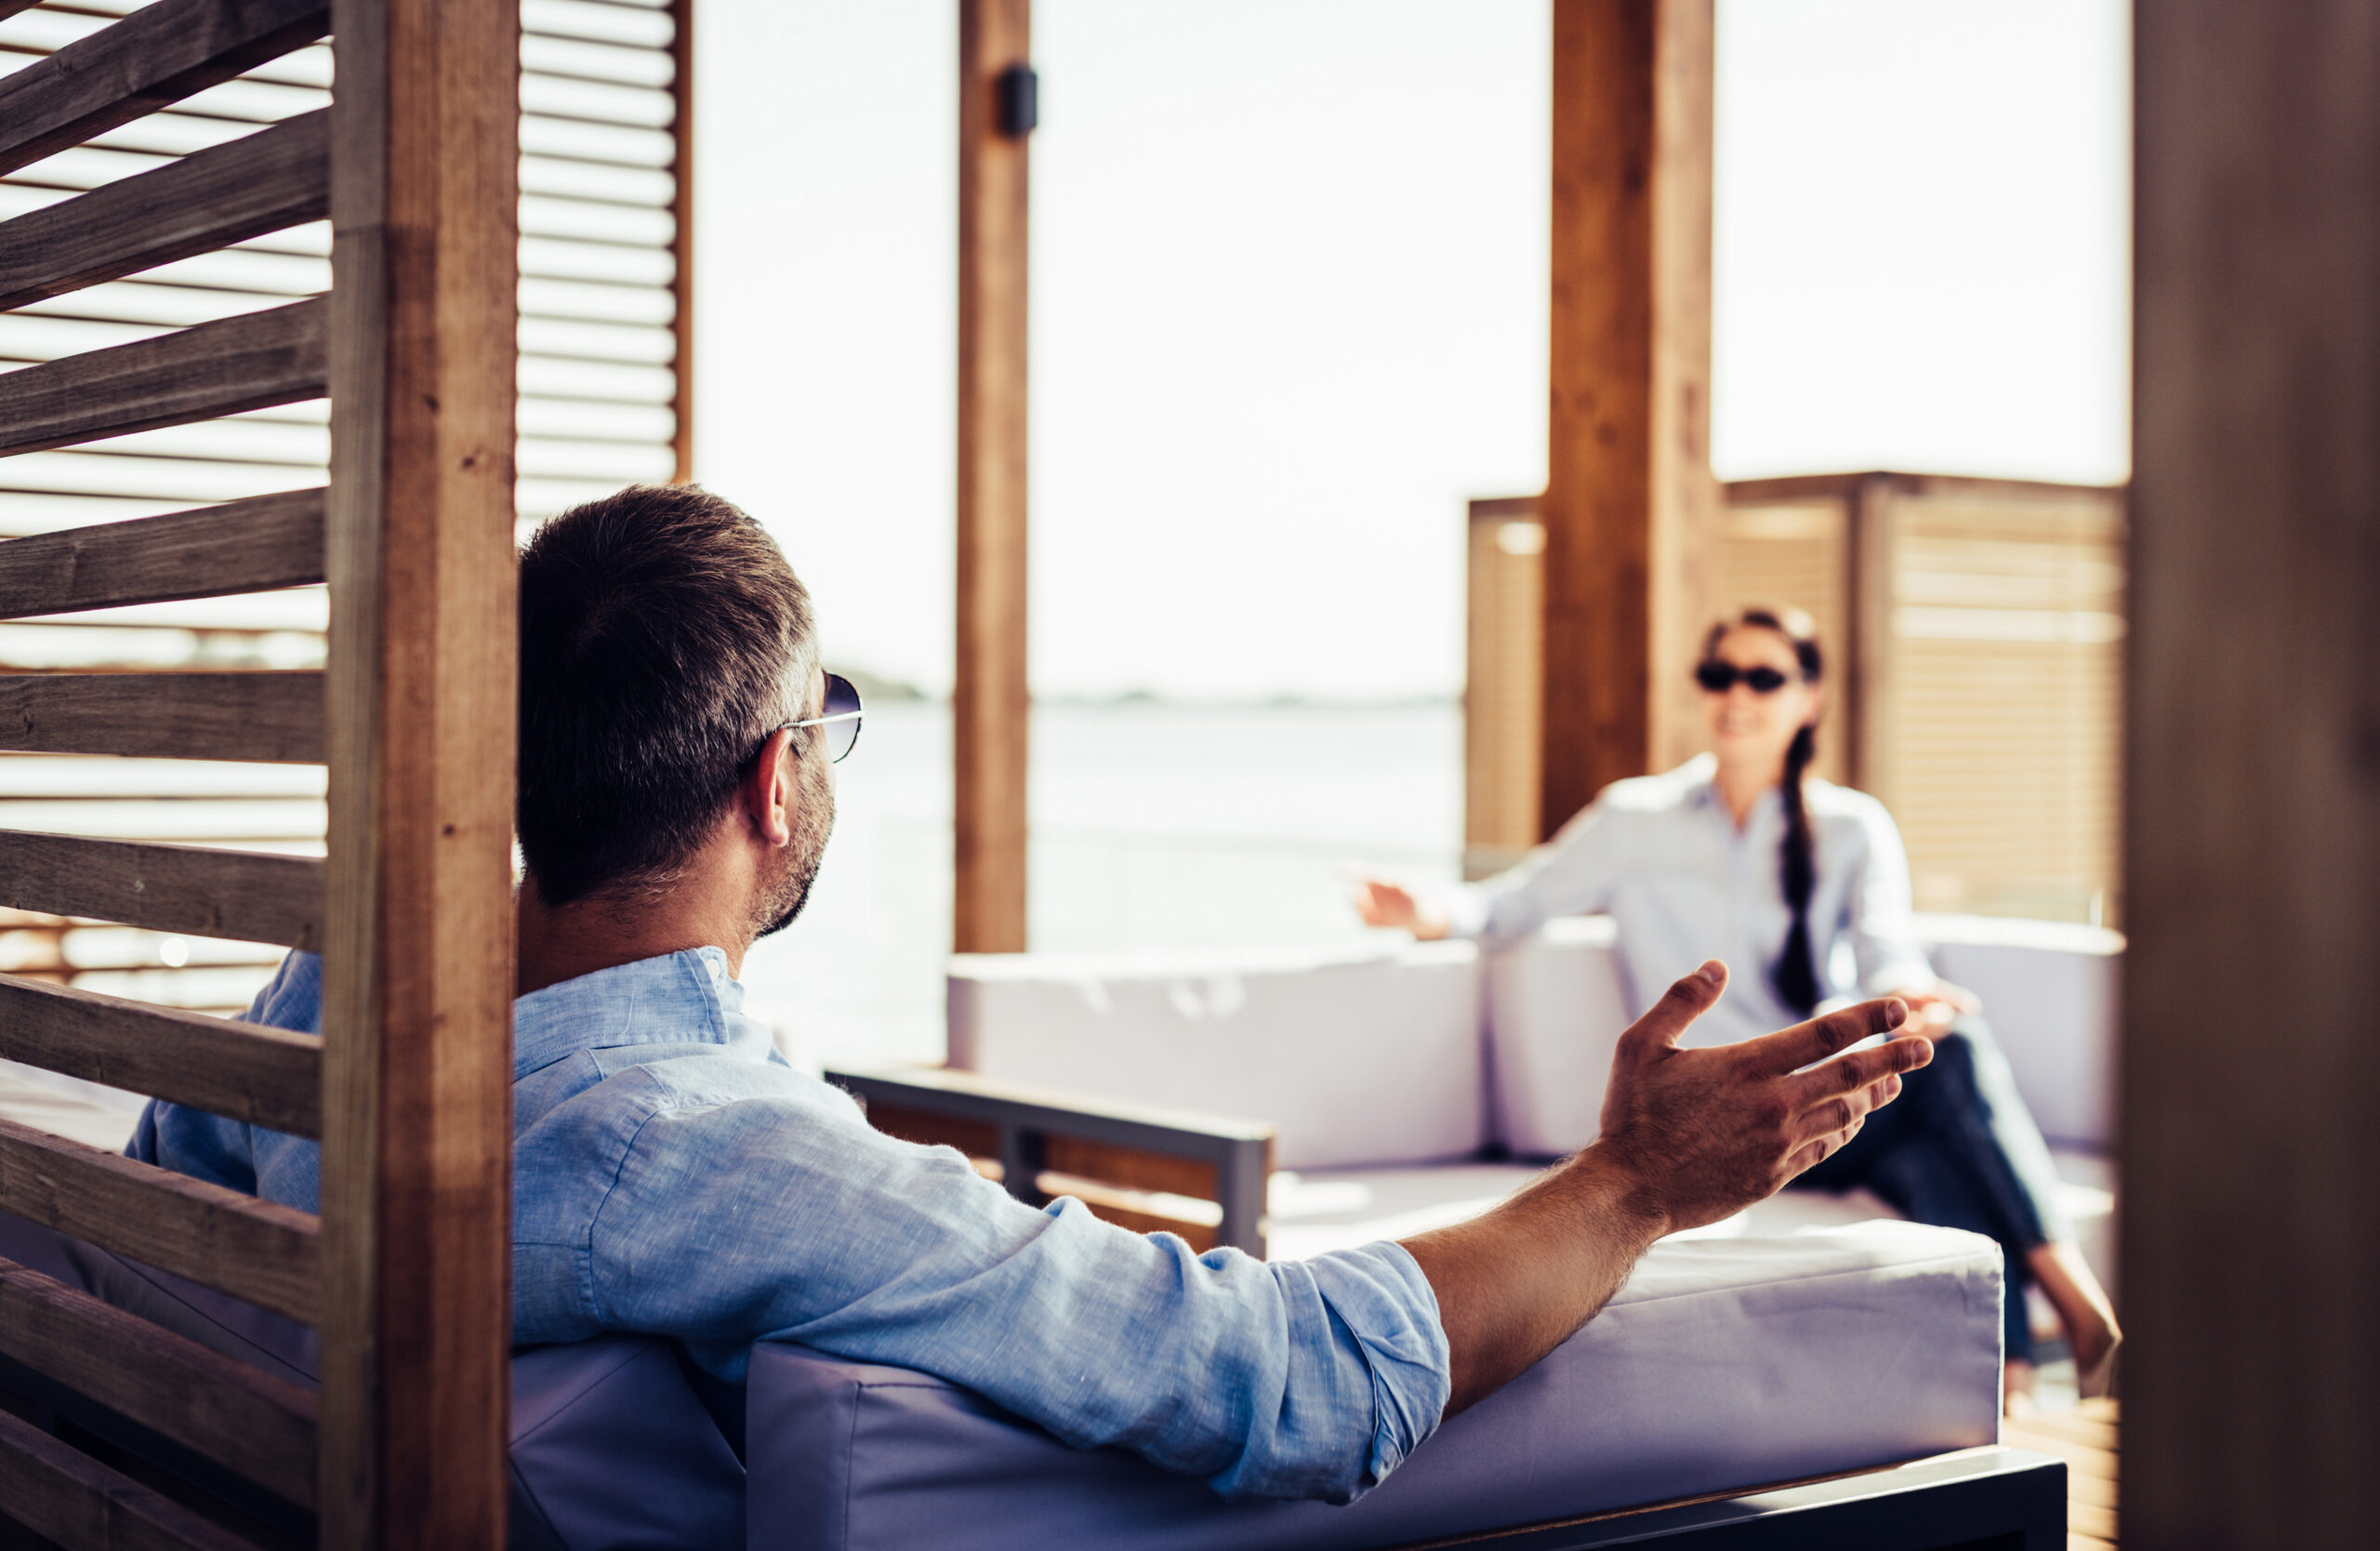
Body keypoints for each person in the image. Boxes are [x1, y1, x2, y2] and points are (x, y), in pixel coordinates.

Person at [129, 489, 1930, 1504]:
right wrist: (1629, 1181)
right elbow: (1266, 1369)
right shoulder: (732, 1161)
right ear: (777, 784)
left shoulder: (319, 1008)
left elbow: (157, 1211)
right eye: (826, 728)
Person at [1356, 606, 2119, 1410]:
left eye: (1765, 676)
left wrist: (1915, 994)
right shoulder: (1634, 819)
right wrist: (1424, 910)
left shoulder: (1854, 827)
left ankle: (2008, 1381)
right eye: (1721, 674)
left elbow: (1885, 950)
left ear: (1809, 698)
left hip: (1824, 1103)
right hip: (1715, 1117)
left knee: (1942, 1070)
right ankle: (2069, 1315)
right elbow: (1513, 905)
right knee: (1941, 1117)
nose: (1738, 694)